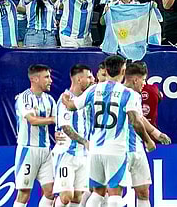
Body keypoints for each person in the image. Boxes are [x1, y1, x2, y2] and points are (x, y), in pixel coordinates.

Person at [60, 55, 155, 207]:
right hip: (116, 149)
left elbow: (71, 106)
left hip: (95, 149)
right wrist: (148, 141)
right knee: (115, 194)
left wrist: (65, 99)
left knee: (97, 193)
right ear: (123, 71)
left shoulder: (93, 89)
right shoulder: (129, 94)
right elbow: (135, 121)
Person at [121, 61, 172, 207]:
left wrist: (156, 133)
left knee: (143, 191)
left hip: (136, 148)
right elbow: (134, 121)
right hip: (119, 148)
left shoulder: (135, 96)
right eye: (143, 80)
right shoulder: (118, 93)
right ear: (135, 79)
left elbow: (140, 117)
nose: (144, 84)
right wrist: (149, 140)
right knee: (112, 193)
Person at [13, 64, 56, 207]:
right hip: (28, 150)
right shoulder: (24, 98)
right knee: (24, 193)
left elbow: (58, 126)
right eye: (46, 77)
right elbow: (32, 120)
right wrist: (53, 119)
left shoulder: (50, 100)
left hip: (46, 151)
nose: (50, 80)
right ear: (35, 79)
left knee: (50, 192)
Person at [52, 64, 93, 207]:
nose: (92, 80)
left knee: (77, 197)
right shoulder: (65, 99)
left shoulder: (86, 100)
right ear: (79, 79)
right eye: (89, 77)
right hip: (67, 154)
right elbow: (65, 127)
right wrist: (84, 141)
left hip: (83, 155)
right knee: (66, 197)